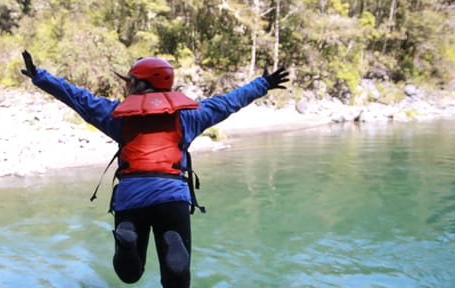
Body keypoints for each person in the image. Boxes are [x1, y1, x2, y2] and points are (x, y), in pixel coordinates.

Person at [20, 50, 288, 287]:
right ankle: (172, 241)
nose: (126, 87)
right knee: (177, 282)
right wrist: (263, 83)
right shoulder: (189, 116)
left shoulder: (116, 115)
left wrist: (40, 76)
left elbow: (79, 98)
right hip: (172, 197)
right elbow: (230, 101)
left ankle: (127, 245)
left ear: (139, 83)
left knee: (129, 274)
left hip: (130, 197)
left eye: (130, 81)